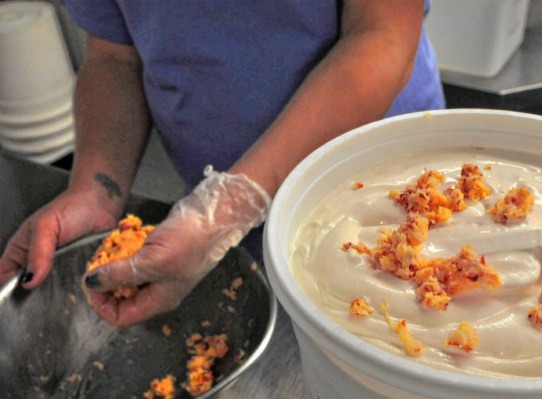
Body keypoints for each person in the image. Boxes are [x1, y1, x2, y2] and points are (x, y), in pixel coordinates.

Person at [0, 1, 445, 327]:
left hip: (379, 199)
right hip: (217, 203)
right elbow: (115, 57)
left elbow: (382, 38)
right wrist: (96, 191)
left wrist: (226, 209)